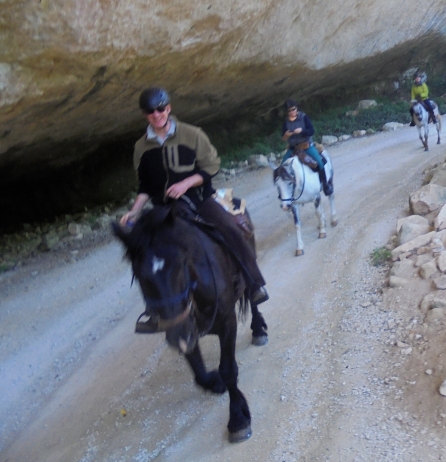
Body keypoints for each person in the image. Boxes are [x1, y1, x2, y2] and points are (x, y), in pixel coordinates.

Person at [120, 87, 268, 310]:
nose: (157, 114)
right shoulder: (141, 147)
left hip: (199, 199)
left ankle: (254, 283)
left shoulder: (192, 134)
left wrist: (186, 183)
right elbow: (146, 186)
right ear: (145, 114)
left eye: (161, 109)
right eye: (151, 111)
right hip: (164, 208)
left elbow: (211, 166)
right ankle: (157, 308)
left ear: (168, 108)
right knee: (144, 250)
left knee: (230, 227)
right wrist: (134, 211)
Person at [280, 99, 332, 195]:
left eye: (293, 109)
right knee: (282, 167)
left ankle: (325, 185)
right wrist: (286, 135)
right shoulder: (286, 122)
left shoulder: (304, 117)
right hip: (293, 148)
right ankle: (285, 191)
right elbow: (283, 138)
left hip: (306, 146)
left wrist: (302, 131)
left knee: (319, 162)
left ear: (297, 108)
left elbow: (311, 131)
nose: (292, 112)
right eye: (289, 111)